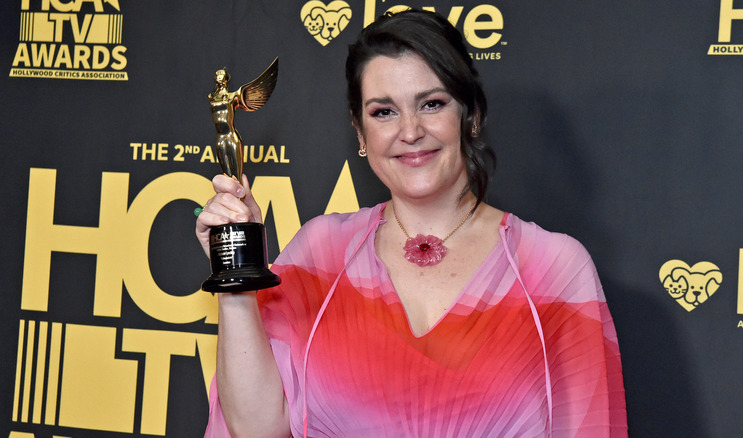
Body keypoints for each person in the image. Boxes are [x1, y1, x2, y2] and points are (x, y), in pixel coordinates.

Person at [197, 9, 627, 438]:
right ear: (360, 133)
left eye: (432, 104)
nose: (409, 131)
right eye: (383, 112)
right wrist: (235, 278)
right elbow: (256, 430)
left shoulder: (551, 268)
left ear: (471, 116)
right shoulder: (322, 252)